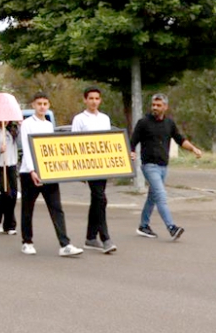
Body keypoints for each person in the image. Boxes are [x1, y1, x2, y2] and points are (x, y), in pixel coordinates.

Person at [130, 93, 202, 241]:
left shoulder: (169, 123)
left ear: (165, 107)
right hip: (149, 165)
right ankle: (171, 227)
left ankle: (143, 225)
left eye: (158, 105)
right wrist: (131, 153)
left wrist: (193, 148)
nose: (155, 108)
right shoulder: (143, 122)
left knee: (153, 197)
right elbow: (132, 141)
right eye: (153, 105)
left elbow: (180, 139)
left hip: (163, 166)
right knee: (161, 196)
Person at [19, 93, 83, 256]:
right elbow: (27, 147)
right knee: (28, 208)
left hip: (48, 172)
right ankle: (27, 241)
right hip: (29, 173)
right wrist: (32, 170)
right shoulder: (27, 124)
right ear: (33, 105)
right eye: (39, 103)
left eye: (45, 103)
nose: (42, 106)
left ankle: (64, 244)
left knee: (56, 207)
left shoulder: (48, 125)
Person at [71, 87, 117, 253]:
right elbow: (74, 143)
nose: (94, 101)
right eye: (91, 98)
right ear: (85, 100)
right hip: (88, 165)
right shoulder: (79, 119)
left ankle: (90, 237)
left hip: (102, 164)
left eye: (97, 98)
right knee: (101, 198)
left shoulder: (105, 118)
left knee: (97, 200)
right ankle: (105, 238)